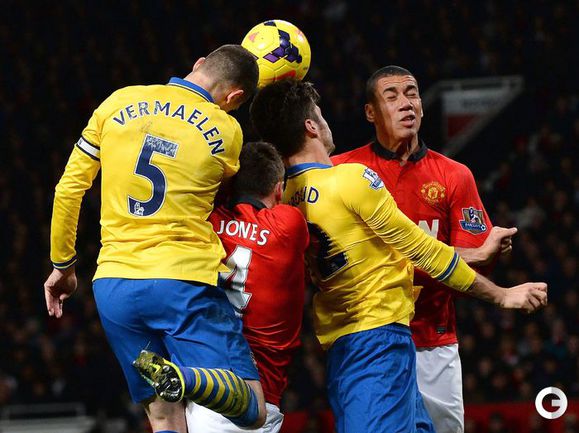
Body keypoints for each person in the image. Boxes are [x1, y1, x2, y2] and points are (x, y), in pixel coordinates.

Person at [249, 79, 547, 433]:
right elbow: (421, 249)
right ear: (311, 127)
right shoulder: (351, 178)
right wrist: (501, 295)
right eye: (321, 115)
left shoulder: (283, 201)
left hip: (347, 344)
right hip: (377, 344)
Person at [43, 44, 267, 433]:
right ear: (235, 97)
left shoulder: (117, 102)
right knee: (253, 408)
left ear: (199, 64)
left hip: (114, 286)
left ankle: (172, 378)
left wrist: (63, 265)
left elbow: (68, 190)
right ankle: (185, 377)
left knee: (163, 414)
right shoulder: (227, 129)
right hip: (182, 280)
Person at [331, 65, 513, 433]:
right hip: (365, 339)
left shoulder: (454, 175)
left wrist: (484, 255)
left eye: (411, 93)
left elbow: (472, 268)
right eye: (392, 96)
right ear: (370, 112)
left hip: (432, 341)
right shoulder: (340, 170)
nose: (406, 103)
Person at [186, 141, 309, 433]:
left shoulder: (206, 222)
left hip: (205, 387)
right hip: (258, 394)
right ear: (278, 189)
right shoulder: (289, 223)